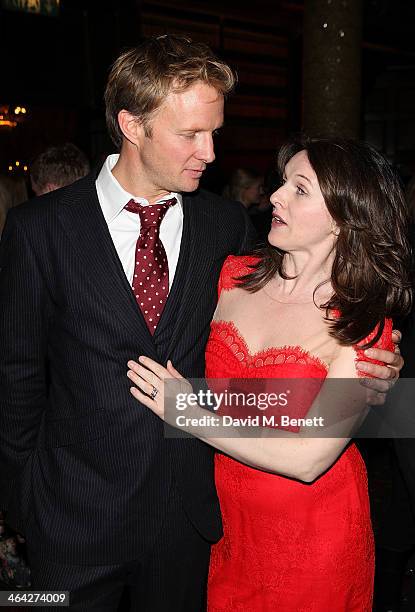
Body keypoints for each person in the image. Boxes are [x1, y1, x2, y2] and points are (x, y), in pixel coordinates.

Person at [0, 34, 402, 610]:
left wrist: (381, 376)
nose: (210, 153)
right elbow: (15, 376)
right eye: (190, 134)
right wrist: (25, 503)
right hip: (71, 522)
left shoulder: (227, 228)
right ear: (132, 126)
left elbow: (313, 339)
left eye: (215, 132)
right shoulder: (39, 229)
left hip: (191, 524)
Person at [127, 136, 412, 611]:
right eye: (283, 183)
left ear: (345, 220)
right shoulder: (233, 276)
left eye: (300, 190)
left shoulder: (363, 326)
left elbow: (306, 459)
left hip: (314, 542)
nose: (276, 195)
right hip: (224, 529)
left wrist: (185, 411)